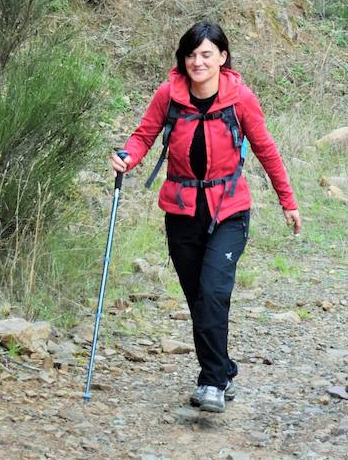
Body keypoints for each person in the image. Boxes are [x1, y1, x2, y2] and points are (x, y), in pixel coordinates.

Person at [111, 22, 302, 413]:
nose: (197, 62)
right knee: (198, 298)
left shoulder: (240, 98)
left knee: (214, 291)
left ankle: (212, 383)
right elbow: (144, 135)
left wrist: (288, 201)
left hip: (229, 208)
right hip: (182, 210)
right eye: (191, 54)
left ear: (222, 58)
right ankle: (224, 368)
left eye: (206, 54)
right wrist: (128, 157)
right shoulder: (169, 94)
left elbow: (266, 149)